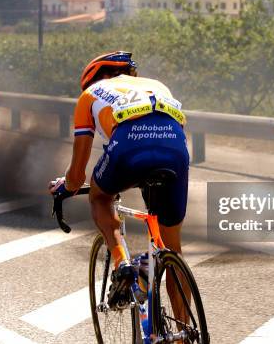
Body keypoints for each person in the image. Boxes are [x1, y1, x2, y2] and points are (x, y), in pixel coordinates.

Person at [50, 51, 189, 307]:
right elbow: (168, 136)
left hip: (129, 145)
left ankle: (121, 262)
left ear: (94, 77)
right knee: (172, 249)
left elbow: (77, 173)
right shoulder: (157, 86)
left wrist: (66, 186)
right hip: (175, 149)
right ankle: (183, 334)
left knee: (100, 196)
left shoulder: (91, 94)